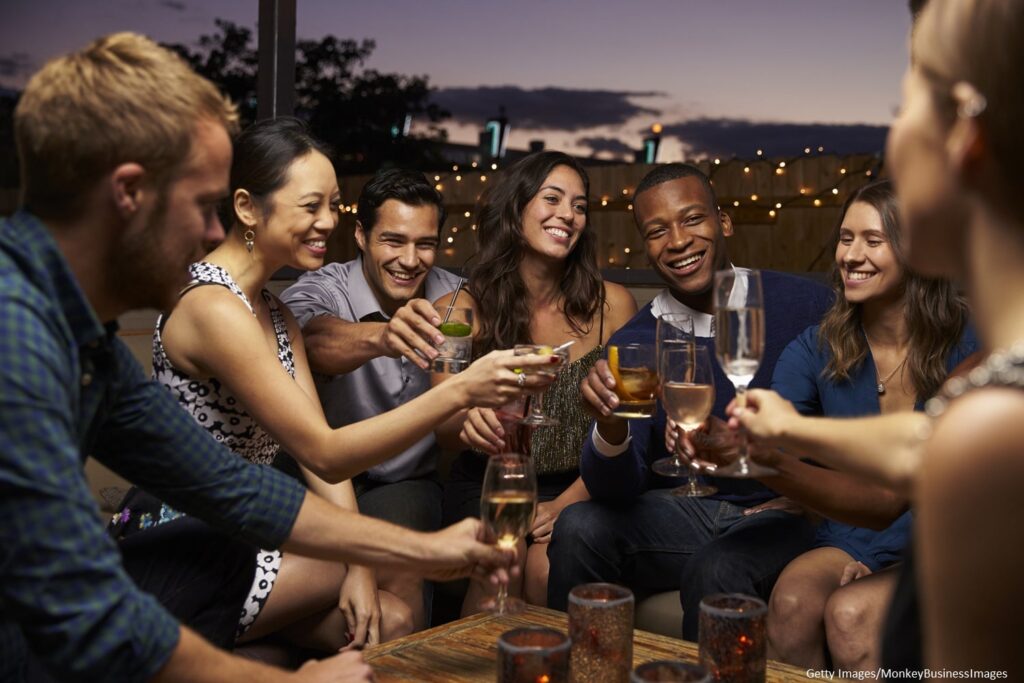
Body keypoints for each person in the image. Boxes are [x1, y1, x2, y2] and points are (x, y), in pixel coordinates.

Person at [0, 32, 523, 683]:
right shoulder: (16, 339)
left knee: (253, 562)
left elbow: (233, 488)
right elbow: (80, 610)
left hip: (140, 583)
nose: (215, 233)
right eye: (201, 205)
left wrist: (425, 548)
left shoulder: (85, 336)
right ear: (128, 194)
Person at [112, 116, 560, 655]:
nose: (327, 221)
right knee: (387, 563)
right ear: (248, 207)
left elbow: (321, 461)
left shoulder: (273, 312)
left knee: (390, 620)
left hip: (248, 533)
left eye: (332, 205)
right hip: (186, 539)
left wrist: (356, 570)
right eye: (311, 206)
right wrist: (462, 391)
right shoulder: (212, 307)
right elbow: (325, 453)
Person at [731, 0, 1024, 672]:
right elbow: (920, 444)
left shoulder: (995, 418)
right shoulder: (996, 389)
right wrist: (784, 433)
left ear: (963, 145)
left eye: (906, 103)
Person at [545, 162, 833, 640]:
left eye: (693, 220)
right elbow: (618, 489)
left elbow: (853, 414)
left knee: (717, 568)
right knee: (578, 525)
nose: (677, 241)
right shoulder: (636, 341)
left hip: (784, 509)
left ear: (723, 223)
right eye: (657, 231)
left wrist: (813, 492)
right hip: (687, 511)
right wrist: (611, 426)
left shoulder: (803, 305)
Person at [760, 179, 974, 670]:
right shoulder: (816, 346)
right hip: (851, 533)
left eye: (873, 241)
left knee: (850, 614)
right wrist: (747, 452)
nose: (850, 255)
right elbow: (776, 435)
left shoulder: (971, 343)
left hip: (939, 538)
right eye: (845, 238)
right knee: (793, 603)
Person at [434, 150, 637, 612]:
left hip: (579, 484)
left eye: (580, 205)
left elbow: (630, 426)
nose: (568, 214)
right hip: (489, 480)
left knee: (548, 571)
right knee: (500, 565)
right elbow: (441, 428)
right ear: (516, 207)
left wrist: (570, 500)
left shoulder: (614, 307)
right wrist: (467, 413)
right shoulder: (456, 310)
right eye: (553, 198)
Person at [281, 168, 461, 630]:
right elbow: (312, 341)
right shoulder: (323, 286)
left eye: (425, 243)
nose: (410, 259)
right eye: (393, 241)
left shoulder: (455, 295)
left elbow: (465, 357)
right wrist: (383, 336)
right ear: (361, 236)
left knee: (397, 555)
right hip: (315, 477)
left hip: (403, 481)